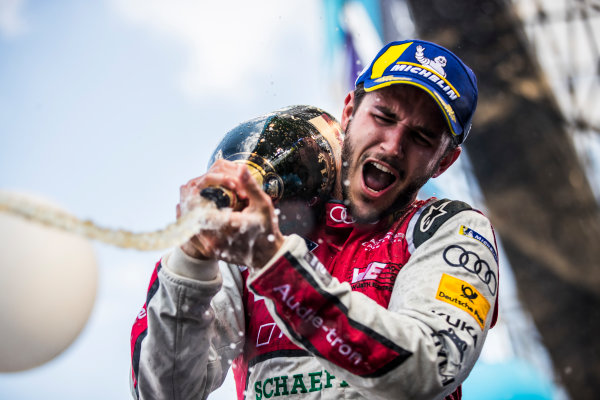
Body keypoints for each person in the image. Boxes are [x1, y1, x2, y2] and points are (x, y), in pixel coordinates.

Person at [130, 39, 499, 400]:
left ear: (445, 161)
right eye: (383, 117)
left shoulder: (452, 229)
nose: (393, 146)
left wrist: (274, 264)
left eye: (421, 137)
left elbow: (430, 369)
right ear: (350, 112)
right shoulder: (260, 223)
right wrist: (192, 262)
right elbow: (166, 393)